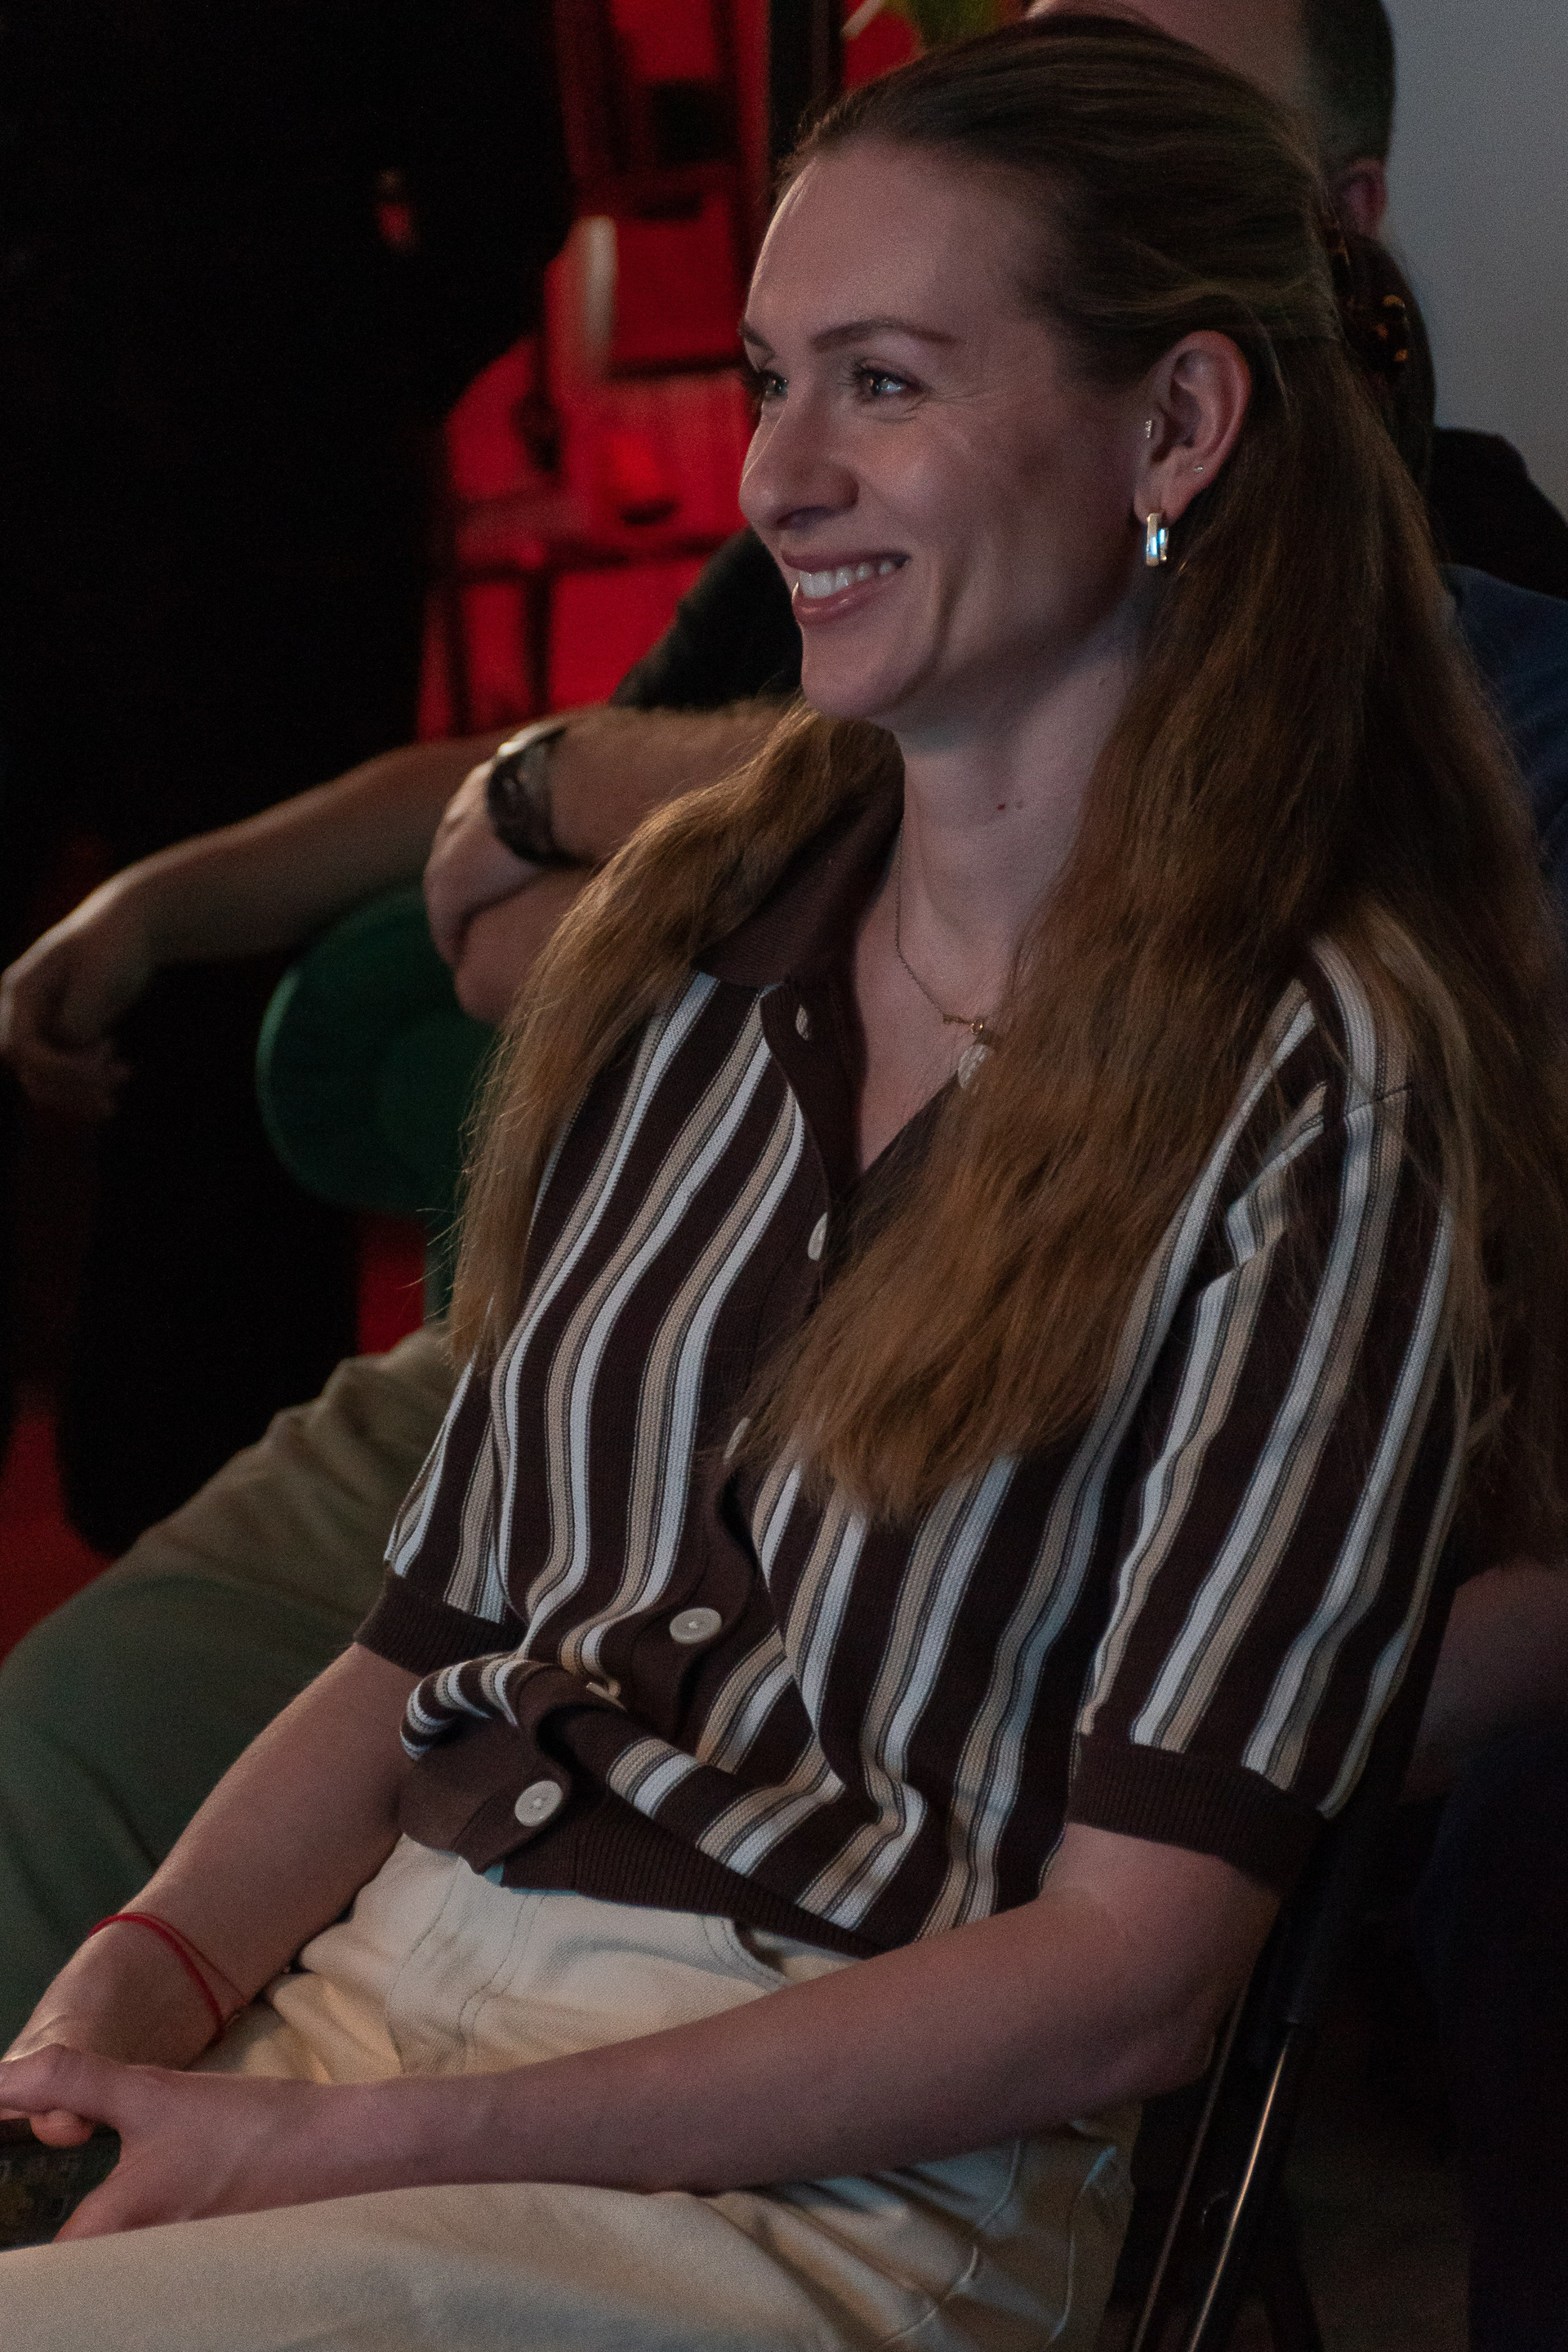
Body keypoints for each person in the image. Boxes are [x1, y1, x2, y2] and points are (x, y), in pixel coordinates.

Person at [4, 22, 1568, 2348]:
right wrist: (125, 1999)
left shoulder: (1318, 1073)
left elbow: (1134, 1982)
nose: (774, 479)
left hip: (841, 2177)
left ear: (1177, 426)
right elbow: (421, 1643)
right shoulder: (693, 931)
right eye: (770, 379)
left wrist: (341, 2153)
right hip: (393, 1997)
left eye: (885, 385)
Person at [0, 0, 572, 1551]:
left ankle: (203, 1547)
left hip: (261, 509)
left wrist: (311, 385)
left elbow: (500, 196)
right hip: (242, 472)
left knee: (232, 1041)